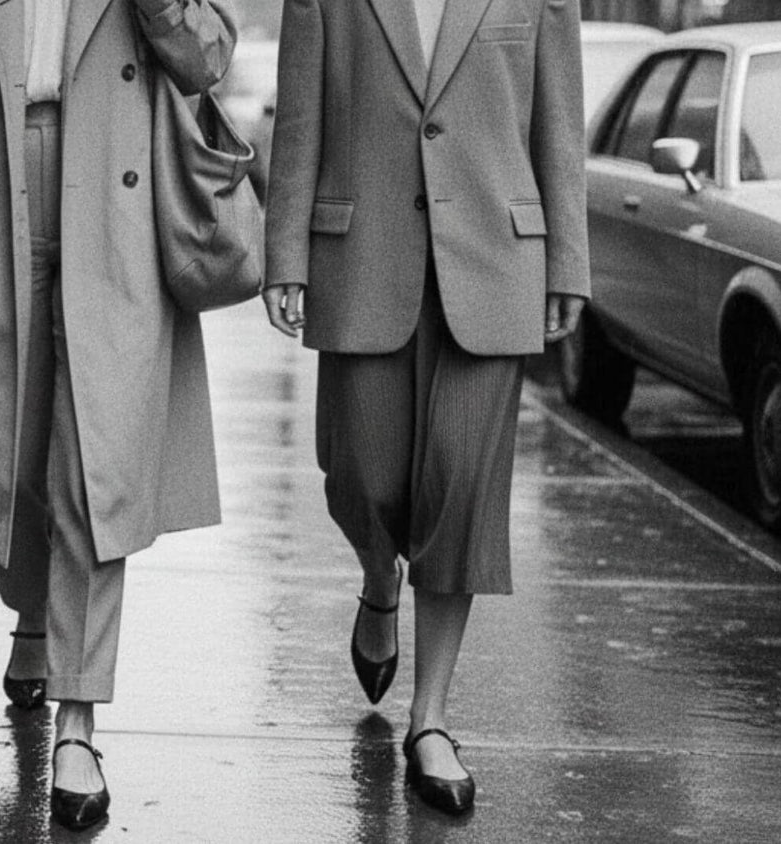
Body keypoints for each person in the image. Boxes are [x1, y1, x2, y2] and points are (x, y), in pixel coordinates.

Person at [0, 0, 233, 829]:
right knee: (9, 455)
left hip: (118, 198)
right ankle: (34, 614)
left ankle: (78, 721)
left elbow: (209, 58)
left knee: (91, 465)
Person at [263, 0, 588, 815]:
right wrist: (285, 253)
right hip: (361, 256)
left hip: (496, 260)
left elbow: (559, 123)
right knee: (363, 480)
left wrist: (569, 265)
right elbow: (300, 118)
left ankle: (431, 719)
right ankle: (379, 579)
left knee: (460, 489)